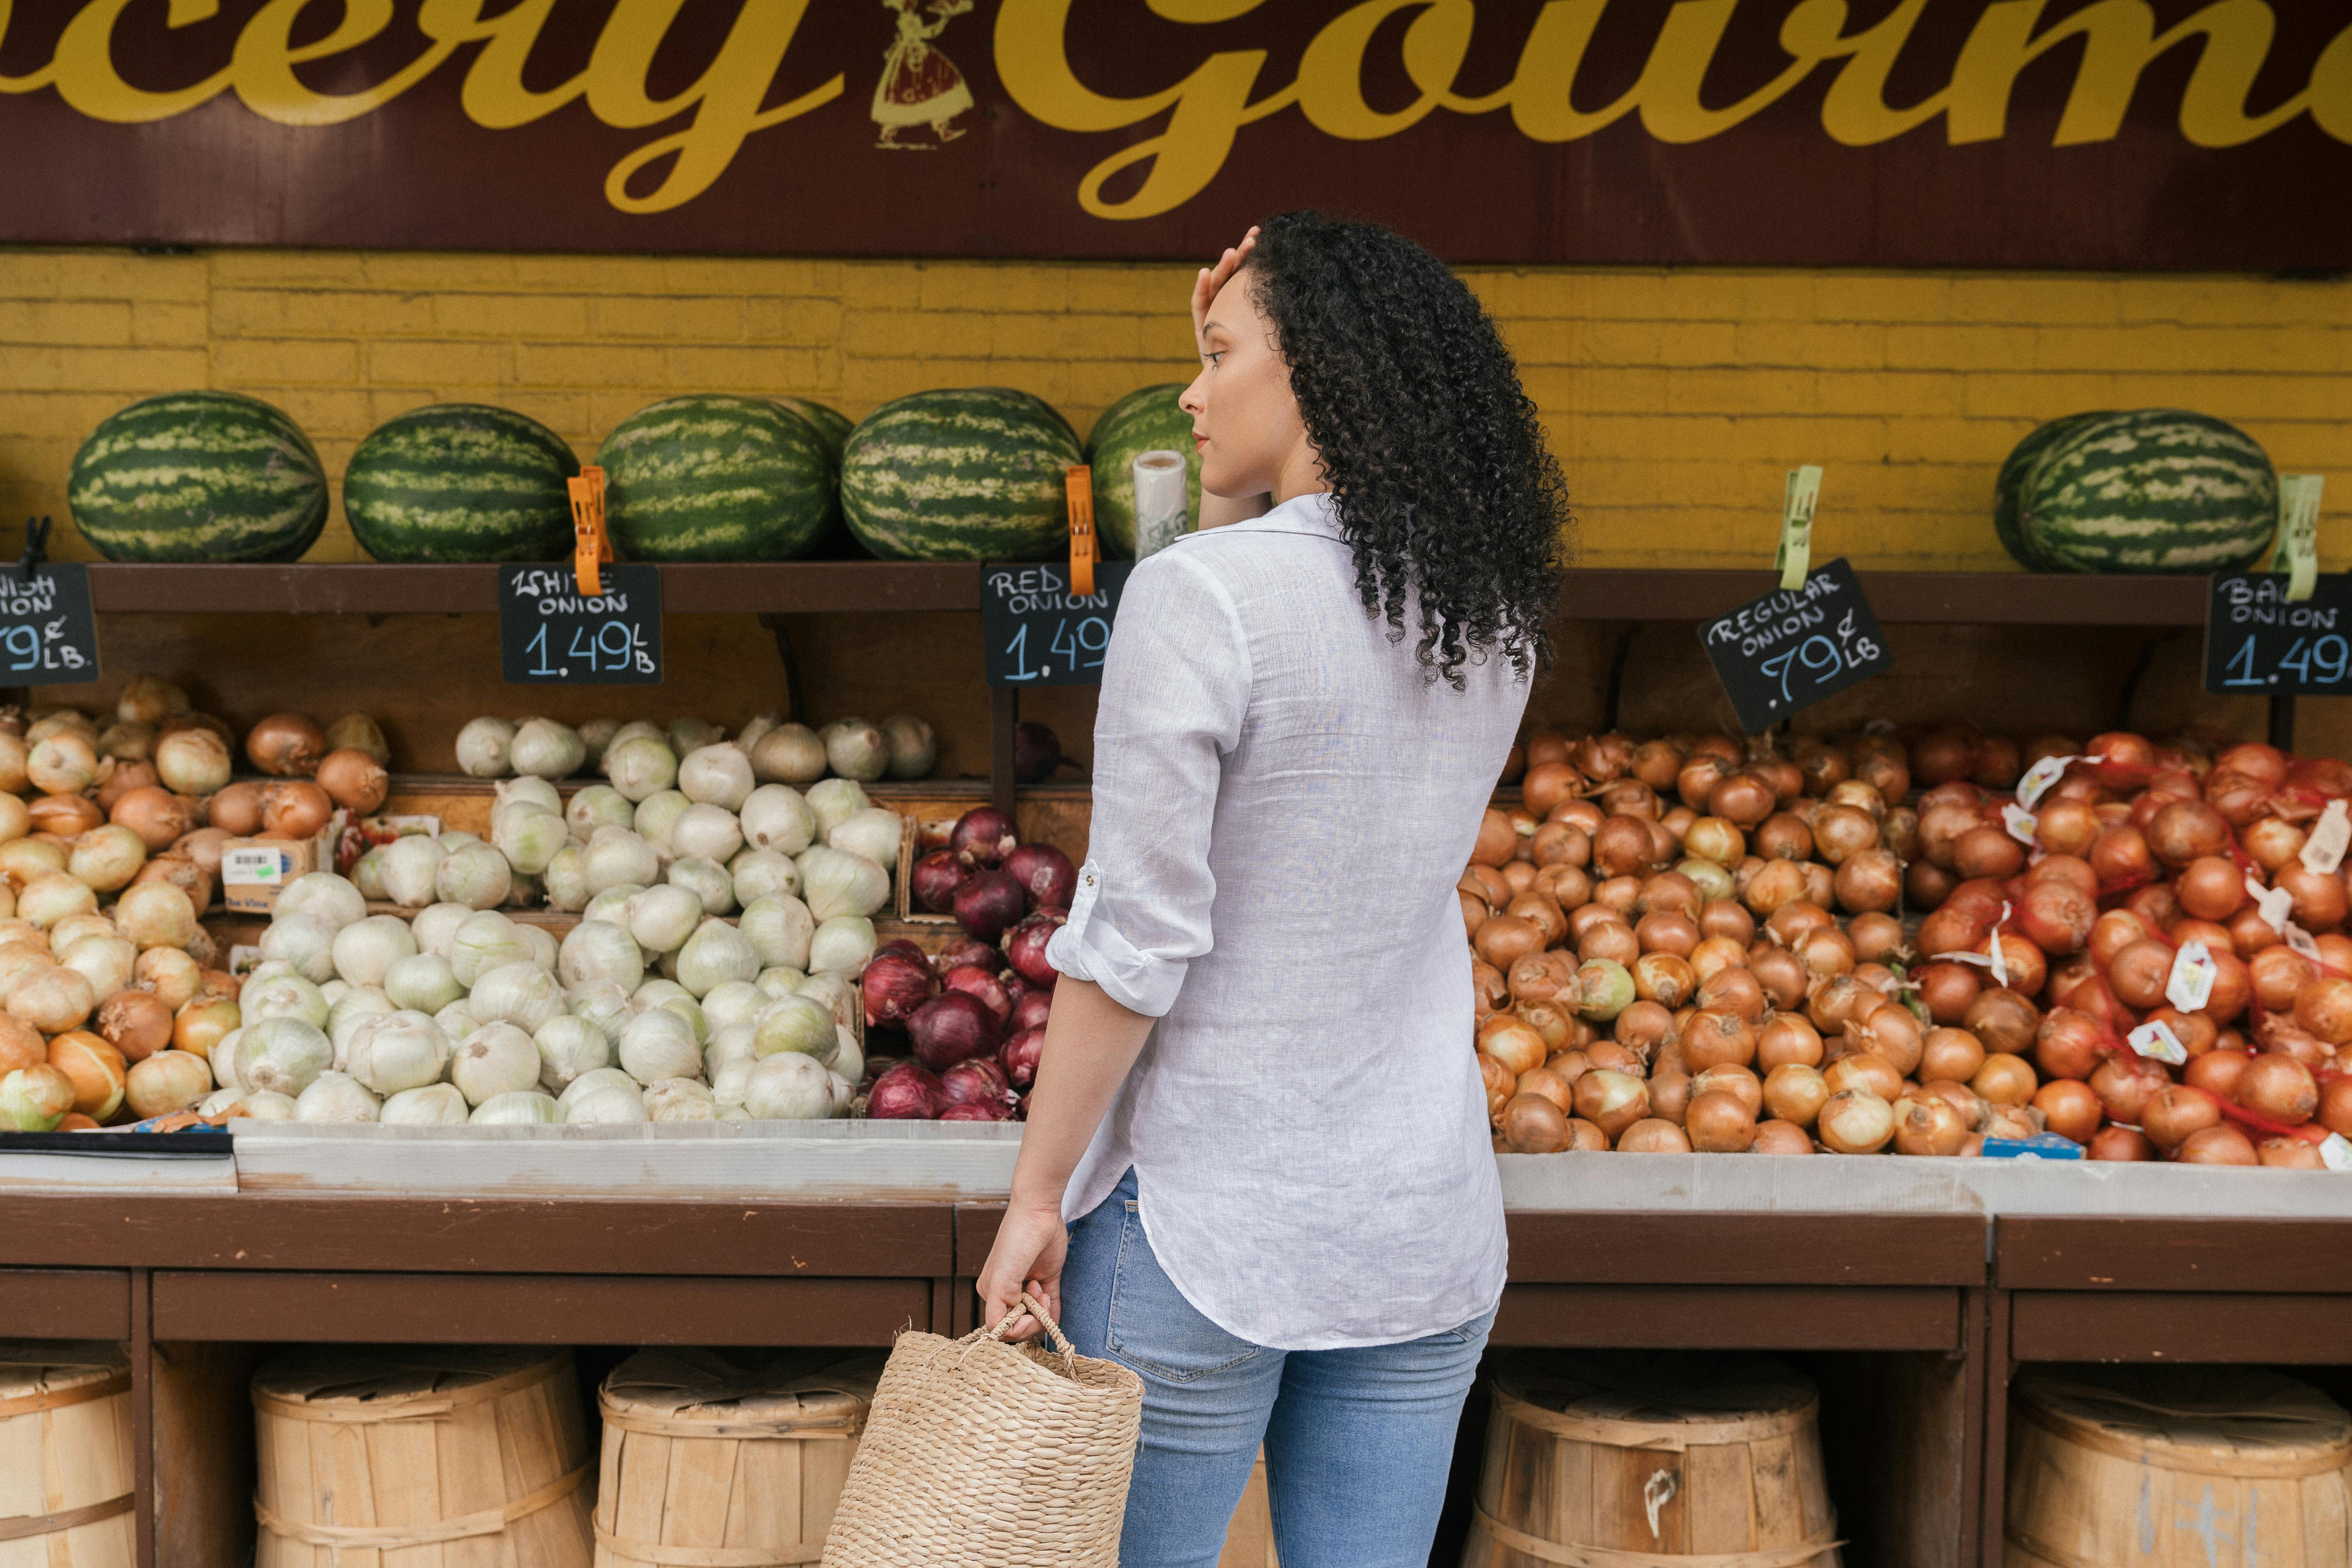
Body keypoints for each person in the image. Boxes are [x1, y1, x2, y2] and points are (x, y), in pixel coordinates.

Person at [975, 211, 1570, 1567]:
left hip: (1204, 1221)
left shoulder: (1196, 599)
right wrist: (1249, 429)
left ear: (1316, 375)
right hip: (1417, 1222)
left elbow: (1134, 943)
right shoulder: (1489, 611)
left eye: (1221, 353)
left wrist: (1035, 1195)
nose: (1191, 389)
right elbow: (1317, 569)